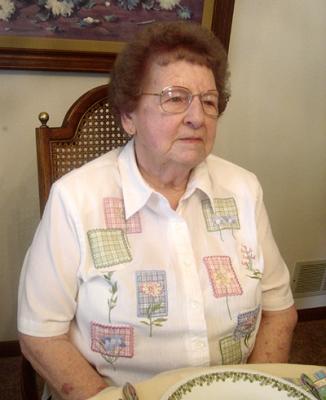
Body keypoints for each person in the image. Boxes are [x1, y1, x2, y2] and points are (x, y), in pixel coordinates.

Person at [18, 21, 297, 400]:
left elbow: (279, 310)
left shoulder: (244, 189)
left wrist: (258, 391)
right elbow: (40, 334)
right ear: (129, 116)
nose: (197, 117)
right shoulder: (75, 199)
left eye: (209, 101)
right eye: (175, 97)